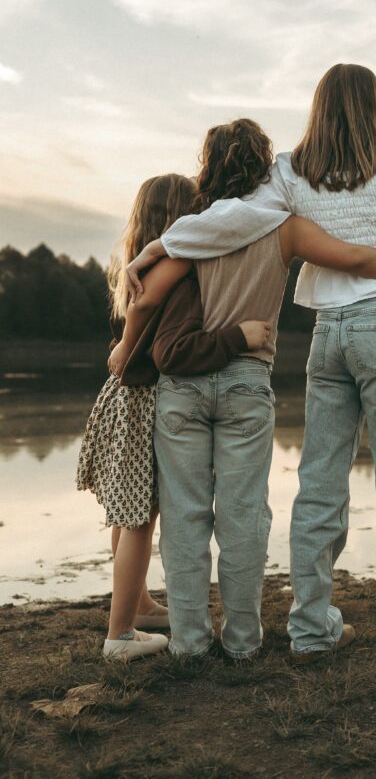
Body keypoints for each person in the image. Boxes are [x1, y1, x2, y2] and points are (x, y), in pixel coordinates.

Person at [126, 65, 376, 667]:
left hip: (326, 338)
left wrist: (162, 244)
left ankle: (312, 628)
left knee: (319, 488)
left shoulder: (288, 172)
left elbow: (232, 219)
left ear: (317, 110)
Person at [117, 117, 376, 659]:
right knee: (244, 516)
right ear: (265, 166)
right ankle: (243, 642)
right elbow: (356, 258)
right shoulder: (285, 226)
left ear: (208, 166)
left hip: (181, 391)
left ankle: (187, 644)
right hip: (246, 385)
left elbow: (146, 297)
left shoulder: (196, 228)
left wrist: (127, 332)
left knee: (183, 516)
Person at [77, 173, 271, 661]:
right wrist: (235, 336)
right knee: (141, 519)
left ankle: (137, 604)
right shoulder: (178, 271)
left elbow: (138, 324)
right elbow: (172, 349)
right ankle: (120, 634)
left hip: (122, 397)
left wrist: (121, 344)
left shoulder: (136, 270)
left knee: (127, 514)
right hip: (144, 400)